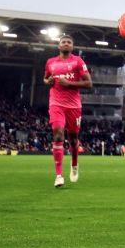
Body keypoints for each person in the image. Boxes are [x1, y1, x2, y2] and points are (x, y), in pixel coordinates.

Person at [43, 34, 92, 188]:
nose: (65, 44)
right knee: (58, 134)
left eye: (68, 42)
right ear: (59, 46)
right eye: (63, 42)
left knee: (72, 139)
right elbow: (45, 78)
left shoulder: (78, 61)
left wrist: (69, 83)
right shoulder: (50, 62)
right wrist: (48, 81)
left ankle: (75, 163)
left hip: (74, 106)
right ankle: (58, 175)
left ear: (72, 46)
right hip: (56, 104)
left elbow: (89, 83)